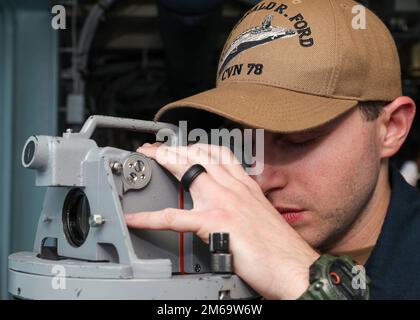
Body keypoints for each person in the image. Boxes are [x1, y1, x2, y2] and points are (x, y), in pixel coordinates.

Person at [125, 0, 420, 299]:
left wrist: (301, 279)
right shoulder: (203, 256)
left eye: (299, 140)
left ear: (391, 128)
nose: (260, 179)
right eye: (243, 144)